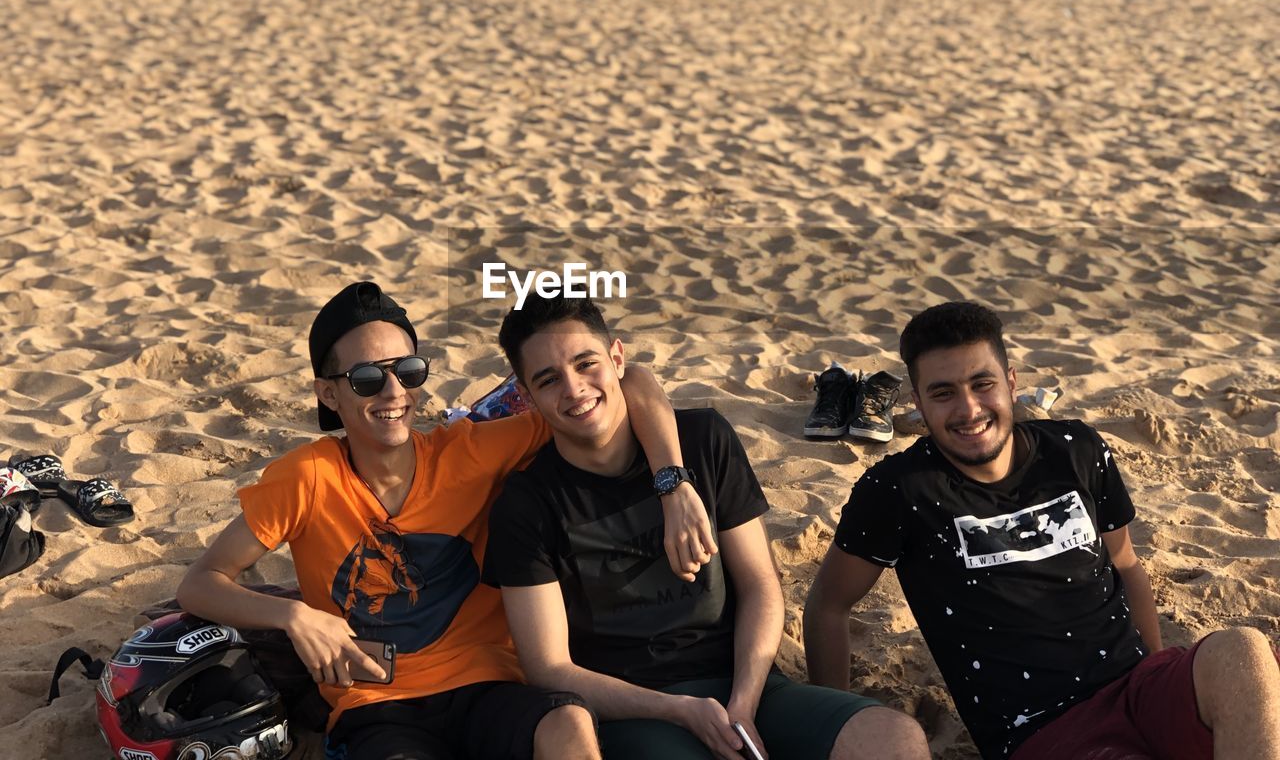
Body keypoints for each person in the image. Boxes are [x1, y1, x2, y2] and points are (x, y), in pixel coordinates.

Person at [177, 281, 716, 760]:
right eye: (366, 378)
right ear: (328, 392)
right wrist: (295, 618)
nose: (393, 393)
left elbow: (634, 380)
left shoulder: (473, 450)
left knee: (569, 721)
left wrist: (673, 483)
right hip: (378, 703)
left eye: (407, 372)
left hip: (494, 685)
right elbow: (200, 584)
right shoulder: (305, 478)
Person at [803, 301, 1280, 760]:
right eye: (944, 393)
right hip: (1043, 730)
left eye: (982, 383)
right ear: (919, 405)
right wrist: (836, 723)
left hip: (1135, 688)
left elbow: (1126, 565)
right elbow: (829, 603)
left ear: (1011, 383)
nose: (969, 410)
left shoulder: (1076, 449)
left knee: (1244, 651)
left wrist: (1154, 671)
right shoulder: (900, 490)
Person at [482, 292, 930, 760]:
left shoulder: (703, 440)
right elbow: (549, 669)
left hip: (746, 686)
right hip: (636, 712)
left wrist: (744, 701)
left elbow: (760, 585)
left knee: (895, 738)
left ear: (617, 357)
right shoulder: (526, 503)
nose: (574, 389)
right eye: (549, 379)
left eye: (586, 363)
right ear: (526, 394)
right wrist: (678, 710)